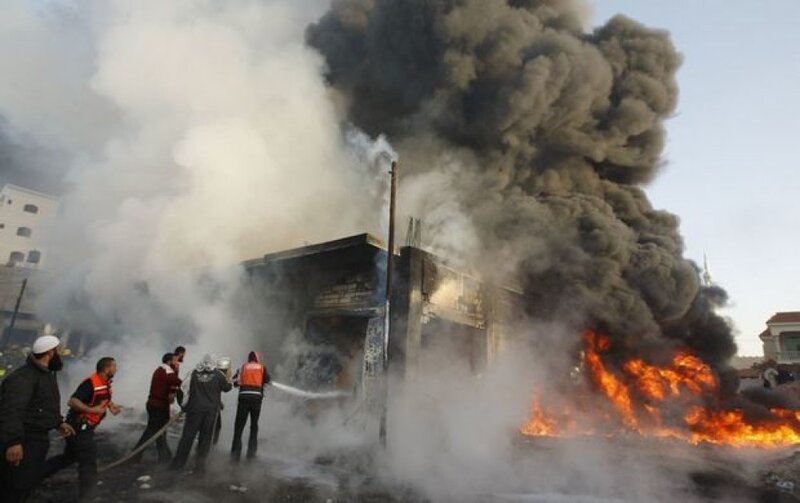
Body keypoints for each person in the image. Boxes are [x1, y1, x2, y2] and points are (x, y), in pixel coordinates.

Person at [0, 335, 75, 503]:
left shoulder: (47, 375)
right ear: (50, 352)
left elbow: (44, 404)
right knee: (14, 487)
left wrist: (58, 423)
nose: (61, 355)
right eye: (58, 351)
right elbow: (12, 410)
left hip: (37, 440)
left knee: (26, 484)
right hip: (25, 439)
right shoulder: (24, 377)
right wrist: (13, 442)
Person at [43, 357, 121, 501]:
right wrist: (92, 410)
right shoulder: (90, 383)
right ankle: (87, 497)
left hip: (85, 427)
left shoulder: (103, 383)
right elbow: (72, 401)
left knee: (69, 457)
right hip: (79, 428)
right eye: (114, 367)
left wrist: (111, 406)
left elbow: (102, 397)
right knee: (88, 461)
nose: (116, 369)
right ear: (106, 368)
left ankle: (35, 475)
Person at [169, 355, 231, 474]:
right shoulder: (218, 375)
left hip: (194, 411)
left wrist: (184, 406)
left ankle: (177, 465)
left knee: (187, 438)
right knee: (205, 440)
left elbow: (181, 389)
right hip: (209, 413)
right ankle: (199, 468)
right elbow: (227, 388)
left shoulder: (193, 373)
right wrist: (228, 378)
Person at [131, 353, 182, 464]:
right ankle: (135, 454)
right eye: (175, 361)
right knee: (152, 431)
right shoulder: (167, 371)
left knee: (160, 431)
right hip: (158, 405)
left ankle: (164, 456)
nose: (177, 363)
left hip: (157, 405)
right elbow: (177, 382)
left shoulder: (161, 370)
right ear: (169, 361)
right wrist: (178, 372)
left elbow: (173, 383)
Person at [230, 351, 270, 462]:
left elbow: (235, 383)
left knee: (239, 426)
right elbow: (267, 380)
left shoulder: (243, 368)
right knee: (254, 426)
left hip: (243, 399)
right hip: (256, 400)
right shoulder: (262, 368)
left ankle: (235, 454)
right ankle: (251, 454)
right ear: (257, 359)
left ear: (248, 359)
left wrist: (241, 383)